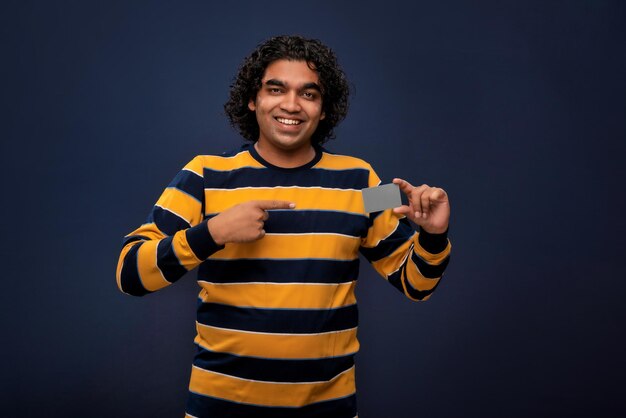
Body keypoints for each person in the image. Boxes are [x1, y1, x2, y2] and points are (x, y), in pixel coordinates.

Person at [116, 35, 451, 418]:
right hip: (219, 409)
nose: (291, 105)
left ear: (324, 109)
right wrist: (214, 233)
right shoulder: (205, 175)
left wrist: (433, 234)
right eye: (276, 89)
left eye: (308, 94)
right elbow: (130, 273)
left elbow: (416, 285)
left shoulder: (364, 183)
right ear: (252, 99)